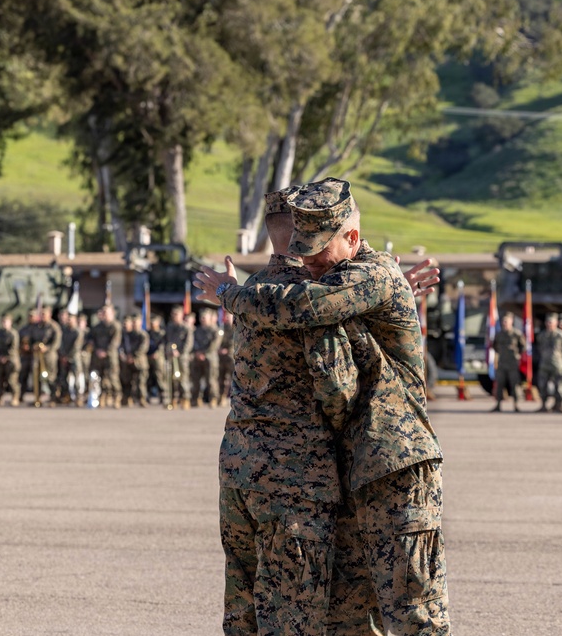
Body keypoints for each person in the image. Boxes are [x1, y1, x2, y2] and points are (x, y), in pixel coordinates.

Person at [197, 178, 449, 635]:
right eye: (302, 246)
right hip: (353, 470)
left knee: (414, 614)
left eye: (318, 248)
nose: (309, 258)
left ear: (352, 238)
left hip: (394, 467)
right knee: (347, 619)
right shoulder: (345, 282)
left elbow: (335, 379)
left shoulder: (360, 279)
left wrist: (228, 294)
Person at [86, 305, 122, 409]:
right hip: (98, 356)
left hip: (110, 356)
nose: (104, 314)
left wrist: (106, 351)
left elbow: (115, 341)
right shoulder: (97, 327)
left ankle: (117, 397)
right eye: (103, 312)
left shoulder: (115, 326)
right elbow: (91, 338)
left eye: (107, 312)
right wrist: (96, 349)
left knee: (113, 377)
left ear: (112, 314)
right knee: (100, 377)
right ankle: (103, 396)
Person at [491, 311, 525, 412]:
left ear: (511, 321)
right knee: (500, 384)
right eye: (503, 321)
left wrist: (517, 355)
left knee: (514, 385)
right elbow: (494, 346)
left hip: (513, 364)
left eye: (506, 321)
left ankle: (516, 405)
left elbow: (523, 347)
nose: (504, 323)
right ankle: (498, 405)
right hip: (502, 363)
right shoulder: (499, 334)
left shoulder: (516, 334)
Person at [536, 313, 562, 413]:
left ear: (556, 323)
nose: (549, 324)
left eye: (551, 322)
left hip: (557, 364)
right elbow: (539, 348)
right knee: (542, 385)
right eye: (548, 322)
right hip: (545, 364)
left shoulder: (561, 336)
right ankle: (543, 405)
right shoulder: (541, 336)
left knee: (559, 386)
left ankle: (559, 405)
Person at [30, 307, 61, 407]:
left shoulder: (54, 327)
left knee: (51, 378)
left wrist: (47, 348)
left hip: (49, 356)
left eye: (44, 314)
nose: (42, 316)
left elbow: (56, 343)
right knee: (36, 377)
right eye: (41, 314)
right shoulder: (36, 326)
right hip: (38, 356)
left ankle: (53, 398)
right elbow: (31, 339)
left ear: (49, 315)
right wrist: (33, 346)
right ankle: (37, 398)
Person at [190, 308, 221, 407]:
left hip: (210, 359)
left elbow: (214, 345)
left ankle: (213, 399)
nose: (202, 319)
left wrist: (203, 353)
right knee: (196, 379)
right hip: (198, 358)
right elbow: (193, 342)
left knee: (211, 380)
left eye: (204, 317)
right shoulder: (197, 330)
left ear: (210, 317)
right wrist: (197, 353)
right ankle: (196, 398)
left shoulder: (216, 330)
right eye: (201, 317)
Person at [0, 313, 21, 407]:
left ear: (10, 322)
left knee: (12, 380)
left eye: (6, 321)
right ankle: (0, 397)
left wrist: (6, 357)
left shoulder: (13, 334)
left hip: (11, 360)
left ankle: (15, 397)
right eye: (3, 321)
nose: (4, 323)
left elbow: (14, 348)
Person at [166, 307, 194, 410]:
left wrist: (180, 352)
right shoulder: (169, 327)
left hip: (182, 358)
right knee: (171, 379)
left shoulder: (186, 328)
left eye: (176, 314)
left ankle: (185, 399)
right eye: (173, 315)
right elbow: (167, 340)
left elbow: (189, 343)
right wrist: (170, 350)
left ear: (181, 315)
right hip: (171, 356)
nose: (174, 317)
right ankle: (172, 399)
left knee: (183, 379)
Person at [119, 314, 149, 407]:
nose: (134, 324)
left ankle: (142, 399)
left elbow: (143, 347)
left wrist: (133, 356)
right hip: (128, 361)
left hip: (140, 362)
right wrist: (125, 356)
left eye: (136, 322)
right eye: (133, 322)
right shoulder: (127, 335)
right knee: (127, 380)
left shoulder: (143, 335)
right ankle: (127, 398)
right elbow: (123, 346)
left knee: (141, 382)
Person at [58, 311, 86, 406]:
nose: (69, 321)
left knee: (77, 378)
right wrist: (63, 355)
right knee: (63, 378)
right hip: (64, 358)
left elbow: (76, 346)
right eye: (68, 319)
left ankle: (79, 397)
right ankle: (66, 396)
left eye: (71, 319)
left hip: (75, 358)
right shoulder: (64, 331)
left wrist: (68, 356)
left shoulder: (78, 332)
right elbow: (60, 343)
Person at [145, 315, 169, 407]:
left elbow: (163, 345)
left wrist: (157, 353)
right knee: (148, 377)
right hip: (148, 357)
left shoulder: (162, 333)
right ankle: (147, 395)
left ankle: (163, 395)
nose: (152, 324)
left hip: (159, 358)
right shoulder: (147, 333)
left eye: (154, 322)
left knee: (160, 376)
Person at [216, 311, 234, 406]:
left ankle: (232, 398)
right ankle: (221, 397)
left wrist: (228, 350)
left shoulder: (236, 329)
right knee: (221, 378)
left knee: (233, 379)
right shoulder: (221, 329)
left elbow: (235, 341)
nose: (226, 318)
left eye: (228, 316)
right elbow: (217, 341)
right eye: (225, 316)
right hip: (221, 357)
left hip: (231, 357)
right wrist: (219, 349)